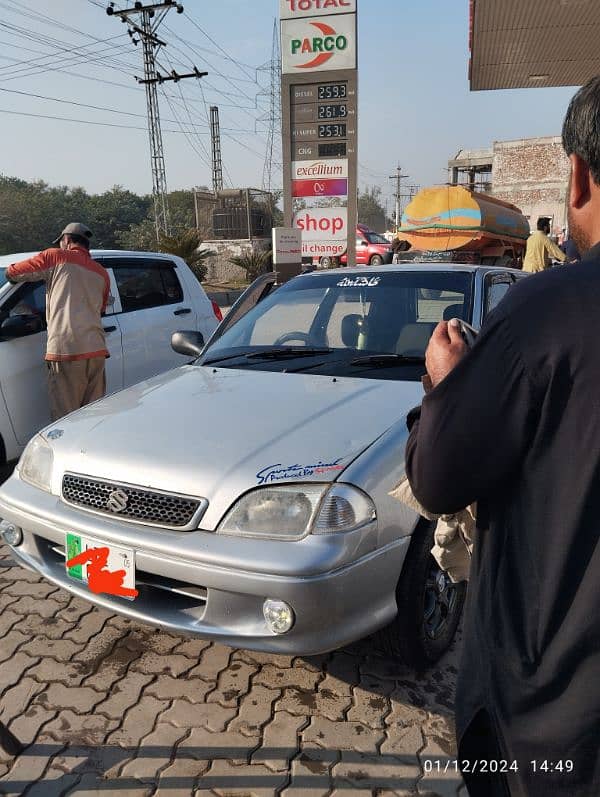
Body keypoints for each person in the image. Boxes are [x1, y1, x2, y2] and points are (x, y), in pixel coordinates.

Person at [405, 75, 600, 797]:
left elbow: (437, 478)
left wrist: (445, 385)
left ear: (577, 175)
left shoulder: (545, 312)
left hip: (548, 721)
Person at [6, 223, 110, 421]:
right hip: (96, 349)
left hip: (67, 350)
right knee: (94, 417)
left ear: (67, 240)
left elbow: (13, 273)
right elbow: (99, 309)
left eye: (61, 242)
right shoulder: (101, 273)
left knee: (67, 419)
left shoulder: (55, 256)